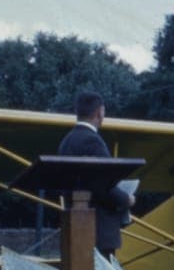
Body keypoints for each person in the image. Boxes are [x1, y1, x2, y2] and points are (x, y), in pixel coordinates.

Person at [57, 91, 135, 259]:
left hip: (74, 226)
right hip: (97, 230)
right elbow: (102, 185)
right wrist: (126, 199)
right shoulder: (93, 141)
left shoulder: (67, 141)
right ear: (100, 112)